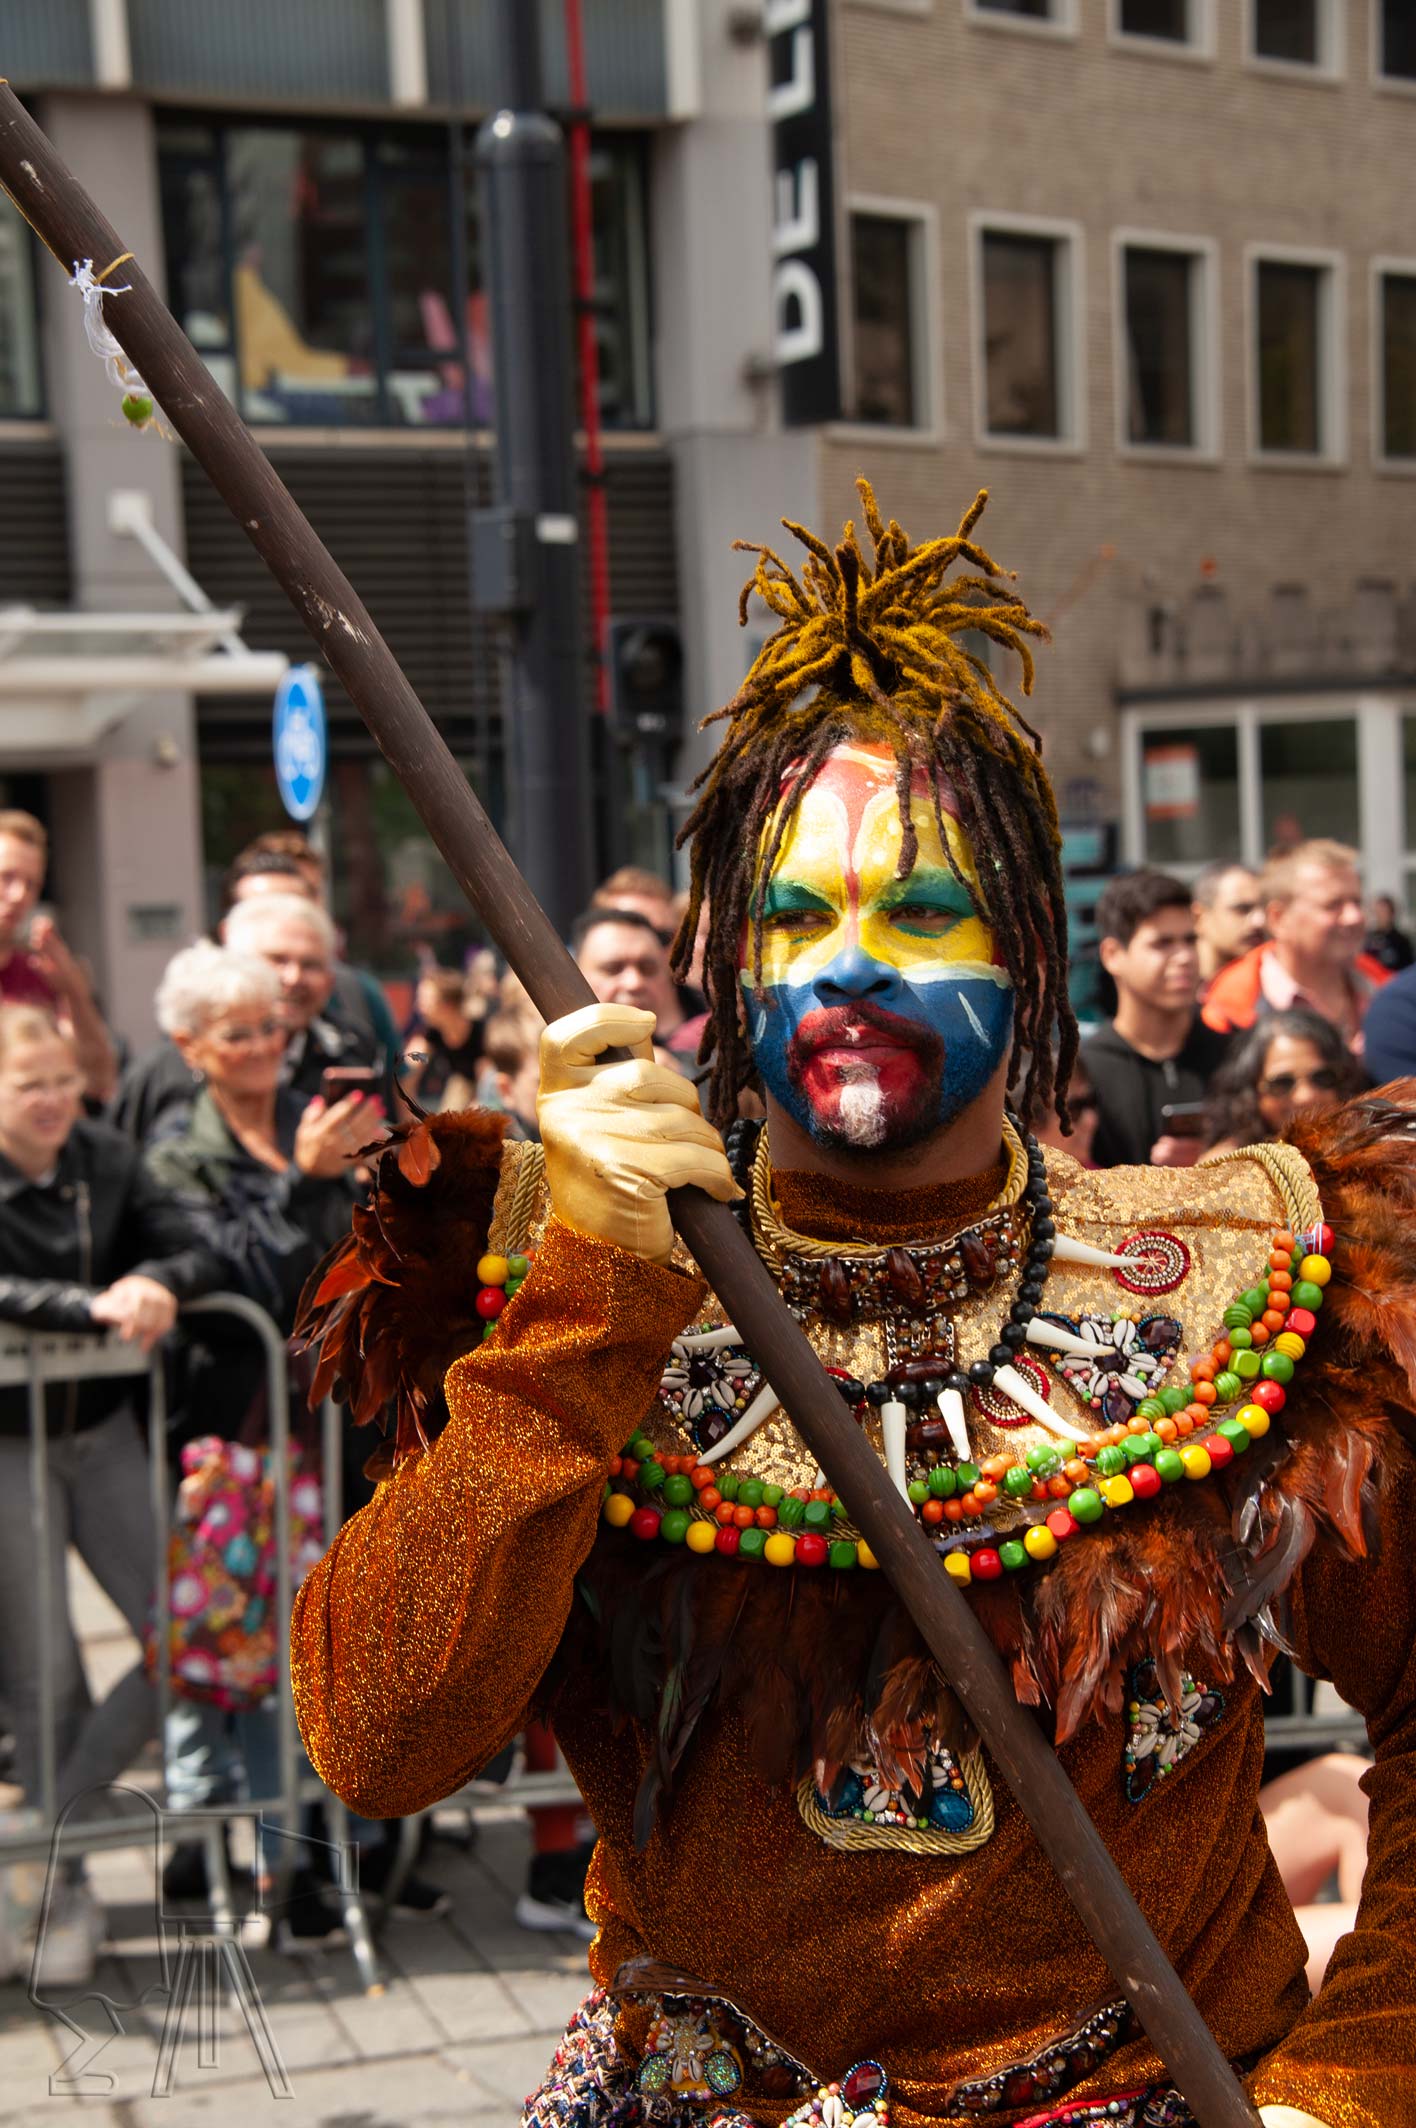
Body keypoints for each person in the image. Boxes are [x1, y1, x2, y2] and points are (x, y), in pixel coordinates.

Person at [290, 485, 1402, 2128]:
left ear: (1029, 950)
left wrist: (1352, 2083)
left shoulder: (1250, 1267)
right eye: (799, 916)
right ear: (725, 959)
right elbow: (377, 1742)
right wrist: (592, 1300)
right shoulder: (559, 1269)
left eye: (923, 912)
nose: (853, 963)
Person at [0, 1004, 226, 1970]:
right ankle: (61, 1900)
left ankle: (40, 1842)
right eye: (28, 1085)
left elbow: (194, 1242)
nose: (53, 1101)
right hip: (9, 1446)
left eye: (64, 1081)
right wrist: (89, 1307)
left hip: (103, 1435)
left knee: (183, 1632)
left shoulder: (107, 1155)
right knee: (43, 1671)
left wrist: (158, 1281)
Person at [113, 895, 381, 1147]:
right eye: (277, 960)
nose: (293, 978)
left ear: (331, 978)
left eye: (310, 964)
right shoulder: (161, 1072)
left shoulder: (351, 1049)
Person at [1082, 870, 1230, 1169]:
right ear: (1112, 955)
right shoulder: (1082, 1072)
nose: (1184, 957)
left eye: (1190, 940)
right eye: (1162, 943)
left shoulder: (1236, 1056)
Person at [1202, 840, 1387, 1053]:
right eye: (1332, 905)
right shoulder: (1225, 1014)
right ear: (1278, 918)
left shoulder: (1386, 991)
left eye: (1357, 902)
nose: (1354, 917)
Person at [0, 812, 116, 1103]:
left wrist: (73, 991)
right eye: (6, 877)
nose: (19, 895)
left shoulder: (40, 974)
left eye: (32, 884)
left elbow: (98, 1079)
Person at [1203, 1011, 1364, 1157]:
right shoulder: (1227, 1167)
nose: (1305, 1096)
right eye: (1282, 1083)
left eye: (1322, 1078)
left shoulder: (1367, 1153)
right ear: (1250, 1092)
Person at [572, 906, 694, 1060]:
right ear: (577, 974)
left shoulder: (698, 1050)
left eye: (647, 969)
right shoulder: (548, 1053)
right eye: (613, 968)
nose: (634, 983)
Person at [401, 967, 484, 1110]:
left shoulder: (480, 1034)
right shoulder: (432, 1034)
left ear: (448, 1005)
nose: (418, 1007)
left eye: (425, 1001)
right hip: (462, 1088)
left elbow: (485, 1087)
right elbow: (409, 1070)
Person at [1192, 862, 1266, 993]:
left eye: (1264, 909)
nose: (1259, 921)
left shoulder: (1276, 991)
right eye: (1242, 909)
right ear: (1199, 917)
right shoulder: (1173, 994)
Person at [1364, 892, 1414, 975]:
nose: (1380, 916)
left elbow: (1408, 969)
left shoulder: (1401, 941)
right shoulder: (1369, 939)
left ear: (1391, 913)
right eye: (1378, 912)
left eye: (1383, 912)